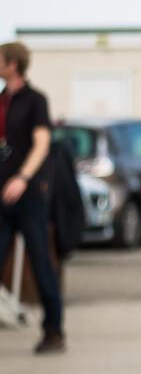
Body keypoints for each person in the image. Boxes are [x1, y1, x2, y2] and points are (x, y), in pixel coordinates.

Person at [0, 40, 65, 354]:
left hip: (28, 196)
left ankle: (54, 330)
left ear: (12, 64)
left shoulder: (36, 100)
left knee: (40, 262)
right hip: (2, 196)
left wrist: (22, 178)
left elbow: (41, 144)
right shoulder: (2, 100)